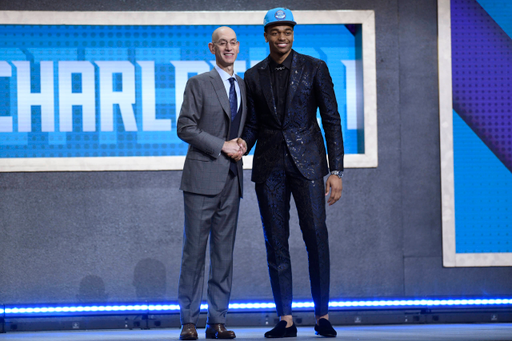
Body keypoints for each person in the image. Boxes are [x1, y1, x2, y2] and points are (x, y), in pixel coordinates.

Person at [239, 7, 344, 338]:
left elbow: (331, 119)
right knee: (276, 243)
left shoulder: (315, 68)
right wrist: (242, 144)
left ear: (293, 35)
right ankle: (285, 319)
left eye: (287, 32)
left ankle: (322, 316)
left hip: (309, 165)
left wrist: (336, 169)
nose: (282, 37)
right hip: (269, 168)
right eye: (275, 32)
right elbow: (254, 124)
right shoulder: (253, 76)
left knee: (316, 237)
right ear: (266, 35)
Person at [176, 26, 246, 340]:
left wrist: (243, 144)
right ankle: (188, 321)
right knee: (194, 253)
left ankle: (217, 320)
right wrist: (221, 145)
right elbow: (185, 127)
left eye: (232, 43)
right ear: (212, 48)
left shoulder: (243, 85)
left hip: (232, 178)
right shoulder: (198, 83)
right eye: (222, 43)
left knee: (224, 254)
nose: (228, 48)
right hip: (202, 177)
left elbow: (240, 129)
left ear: (238, 46)